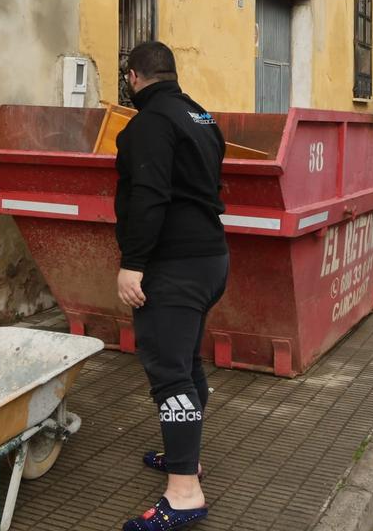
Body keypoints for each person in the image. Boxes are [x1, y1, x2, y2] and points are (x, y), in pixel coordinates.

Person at [114, 41, 228, 531]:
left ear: (135, 76)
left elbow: (149, 195)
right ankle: (185, 458)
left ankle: (184, 493)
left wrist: (133, 263)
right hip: (211, 259)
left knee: (169, 373)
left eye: (127, 79)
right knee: (186, 364)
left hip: (174, 267)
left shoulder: (148, 125)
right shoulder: (200, 116)